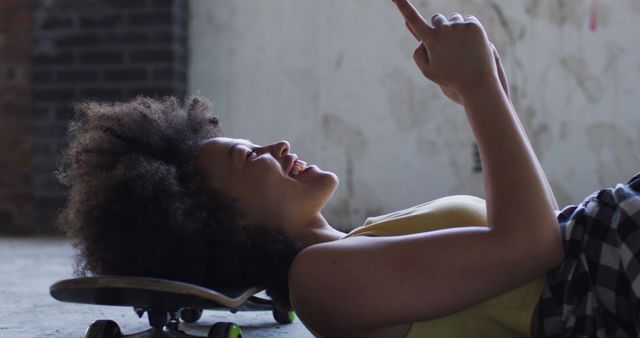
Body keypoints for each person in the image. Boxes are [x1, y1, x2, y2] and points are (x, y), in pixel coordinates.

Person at [55, 0, 640, 337]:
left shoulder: (353, 248)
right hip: (609, 275)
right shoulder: (321, 285)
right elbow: (532, 248)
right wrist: (480, 86)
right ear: (218, 219)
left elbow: (529, 234)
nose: (277, 146)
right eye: (248, 157)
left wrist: (481, 92)